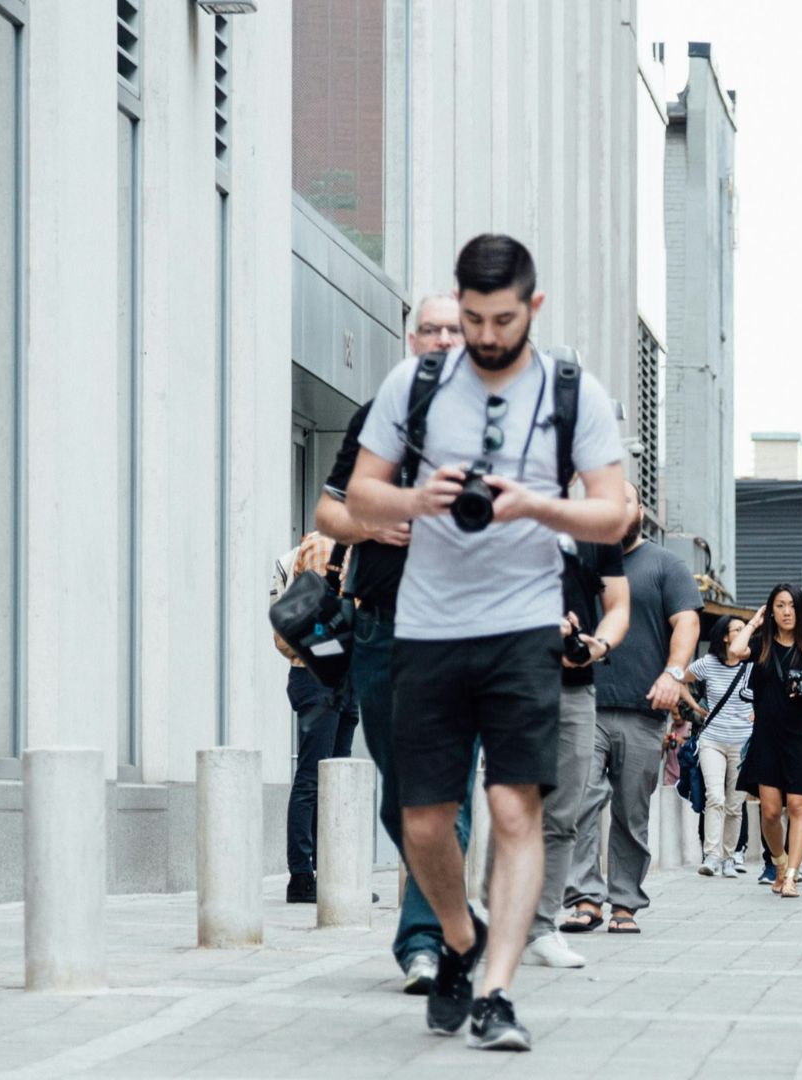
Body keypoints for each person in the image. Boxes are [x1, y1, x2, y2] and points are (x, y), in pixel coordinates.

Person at [346, 234, 629, 1050]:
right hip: (428, 627)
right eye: (471, 318)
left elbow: (615, 513)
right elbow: (359, 491)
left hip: (522, 626)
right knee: (424, 820)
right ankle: (462, 943)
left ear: (532, 308)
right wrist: (415, 500)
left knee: (514, 807)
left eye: (502, 319)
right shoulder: (419, 382)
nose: (485, 335)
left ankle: (497, 991)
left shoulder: (573, 391)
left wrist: (535, 506)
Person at [313, 294, 464, 992]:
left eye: (453, 330)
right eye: (429, 329)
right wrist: (370, 527)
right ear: (412, 340)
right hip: (380, 624)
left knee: (447, 792)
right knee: (400, 795)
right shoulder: (379, 418)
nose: (440, 339)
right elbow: (327, 511)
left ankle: (426, 939)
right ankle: (446, 908)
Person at [562, 483, 703, 932]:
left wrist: (673, 674)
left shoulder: (665, 565)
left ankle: (624, 902)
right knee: (579, 802)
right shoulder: (579, 563)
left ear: (640, 509)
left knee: (630, 811)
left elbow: (688, 621)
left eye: (623, 500)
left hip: (645, 709)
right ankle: (586, 898)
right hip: (583, 702)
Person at [521, 516, 629, 969]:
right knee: (515, 808)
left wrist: (595, 645)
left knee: (564, 812)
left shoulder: (595, 527)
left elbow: (619, 604)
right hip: (515, 678)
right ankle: (503, 921)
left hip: (575, 685)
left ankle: (540, 930)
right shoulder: (504, 513)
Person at [270, 532, 360, 904]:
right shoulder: (328, 545)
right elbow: (324, 618)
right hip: (320, 675)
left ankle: (330, 875)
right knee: (314, 777)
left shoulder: (354, 546)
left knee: (334, 780)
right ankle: (302, 877)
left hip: (336, 677)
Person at [729, 584, 802, 897]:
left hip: (800, 735)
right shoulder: (761, 644)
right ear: (771, 611)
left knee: (798, 804)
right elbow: (734, 652)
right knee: (770, 811)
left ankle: (792, 877)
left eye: (792, 606)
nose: (787, 612)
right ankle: (780, 862)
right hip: (767, 736)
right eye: (780, 606)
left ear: (800, 611)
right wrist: (754, 622)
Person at [688, 614, 754, 877]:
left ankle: (729, 857)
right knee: (715, 797)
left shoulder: (752, 667)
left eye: (744, 628)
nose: (742, 632)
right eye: (737, 629)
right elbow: (681, 678)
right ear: (725, 637)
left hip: (742, 743)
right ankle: (712, 856)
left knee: (735, 805)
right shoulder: (709, 663)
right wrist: (695, 706)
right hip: (712, 739)